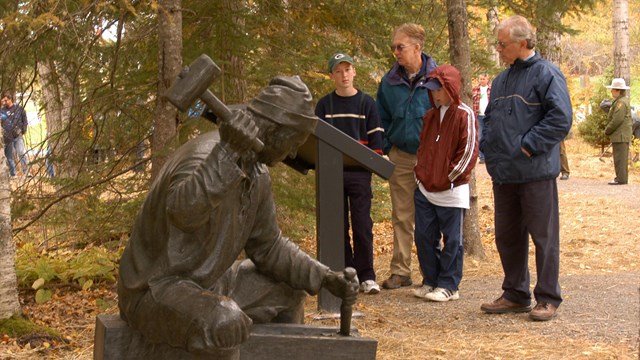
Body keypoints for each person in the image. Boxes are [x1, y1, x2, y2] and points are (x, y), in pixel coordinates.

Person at [117, 76, 359, 355]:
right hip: (156, 290)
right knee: (224, 321)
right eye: (293, 142)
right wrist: (228, 153)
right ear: (275, 131)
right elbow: (184, 212)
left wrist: (325, 277)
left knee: (288, 289)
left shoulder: (257, 173)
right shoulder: (202, 158)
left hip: (209, 281)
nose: (292, 152)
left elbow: (269, 246)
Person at [479, 15, 572, 321]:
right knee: (507, 236)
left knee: (543, 237)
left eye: (502, 44)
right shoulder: (502, 79)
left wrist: (529, 144)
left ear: (522, 43)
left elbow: (560, 119)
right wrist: (488, 150)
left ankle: (547, 297)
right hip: (504, 174)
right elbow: (490, 119)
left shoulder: (547, 74)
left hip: (534, 173)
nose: (498, 49)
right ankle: (515, 294)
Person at [315, 53, 384, 295]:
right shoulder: (325, 105)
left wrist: (375, 159)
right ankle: (347, 275)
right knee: (338, 225)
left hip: (359, 174)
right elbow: (317, 140)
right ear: (332, 75)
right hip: (332, 174)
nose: (344, 75)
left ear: (354, 72)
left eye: (347, 69)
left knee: (362, 224)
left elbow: (376, 140)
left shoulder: (366, 103)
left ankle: (367, 276)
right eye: (338, 71)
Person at [376, 23, 437, 290]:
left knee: (432, 215)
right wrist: (389, 146)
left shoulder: (438, 78)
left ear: (417, 47)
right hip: (400, 156)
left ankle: (432, 272)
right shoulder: (389, 82)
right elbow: (382, 117)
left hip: (430, 158)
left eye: (399, 47)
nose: (396, 52)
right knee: (402, 215)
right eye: (393, 48)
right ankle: (401, 271)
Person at [412, 65, 478, 302]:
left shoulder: (464, 114)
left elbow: (468, 152)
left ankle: (449, 285)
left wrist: (448, 177)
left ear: (450, 88)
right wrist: (420, 174)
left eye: (438, 90)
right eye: (432, 91)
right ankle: (430, 280)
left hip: (452, 190)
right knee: (423, 236)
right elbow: (423, 149)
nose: (435, 95)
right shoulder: (430, 115)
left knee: (453, 240)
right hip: (425, 188)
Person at [604, 78, 632, 185]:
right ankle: (621, 178)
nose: (611, 91)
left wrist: (607, 130)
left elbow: (617, 119)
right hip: (621, 135)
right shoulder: (622, 101)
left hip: (620, 135)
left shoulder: (621, 103)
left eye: (612, 89)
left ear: (618, 90)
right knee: (620, 157)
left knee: (620, 158)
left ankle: (621, 179)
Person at [1, 92, 29, 177]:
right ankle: (12, 174)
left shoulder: (19, 109)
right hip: (7, 137)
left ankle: (26, 172)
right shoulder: (2, 111)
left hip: (18, 135)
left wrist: (23, 130)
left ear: (10, 99)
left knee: (21, 152)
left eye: (6, 100)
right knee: (9, 157)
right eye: (3, 100)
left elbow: (25, 119)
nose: (5, 102)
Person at [472, 73, 491, 164]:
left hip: (489, 116)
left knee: (489, 136)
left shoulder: (491, 89)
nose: (482, 80)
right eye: (480, 79)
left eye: (483, 79)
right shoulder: (474, 89)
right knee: (479, 136)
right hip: (478, 116)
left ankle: (489, 156)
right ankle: (482, 157)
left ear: (487, 80)